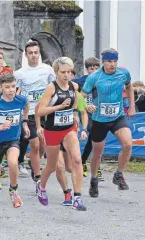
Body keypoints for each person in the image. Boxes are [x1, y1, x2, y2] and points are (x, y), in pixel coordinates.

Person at [81, 48, 135, 197]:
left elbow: (129, 86)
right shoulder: (94, 77)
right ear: (103, 62)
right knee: (97, 154)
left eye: (115, 61)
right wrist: (86, 105)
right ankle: (93, 180)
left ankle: (118, 174)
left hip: (118, 117)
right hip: (99, 120)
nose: (112, 64)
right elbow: (82, 96)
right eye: (109, 61)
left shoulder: (123, 73)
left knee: (128, 144)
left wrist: (131, 106)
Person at [36, 57, 87, 211]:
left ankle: (77, 197)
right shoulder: (51, 88)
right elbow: (40, 111)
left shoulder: (74, 86)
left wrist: (80, 114)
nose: (66, 75)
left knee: (77, 160)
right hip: (52, 130)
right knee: (52, 166)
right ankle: (41, 186)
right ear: (56, 72)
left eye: (69, 72)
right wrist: (58, 107)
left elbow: (76, 107)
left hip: (68, 129)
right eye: (63, 72)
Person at [0, 72, 29, 219]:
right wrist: (0, 127)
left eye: (13, 87)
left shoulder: (20, 100)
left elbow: (26, 105)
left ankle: (13, 190)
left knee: (12, 162)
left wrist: (25, 122)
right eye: (7, 87)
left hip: (13, 140)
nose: (11, 90)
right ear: (0, 87)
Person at [15, 41, 55, 181]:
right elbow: (14, 92)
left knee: (42, 145)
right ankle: (36, 172)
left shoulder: (47, 69)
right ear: (26, 55)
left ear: (39, 54)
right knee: (35, 144)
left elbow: (55, 87)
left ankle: (34, 163)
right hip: (30, 113)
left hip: (44, 112)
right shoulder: (19, 73)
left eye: (36, 52)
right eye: (30, 53)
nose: (33, 56)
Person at [72, 57, 101, 178]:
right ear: (87, 69)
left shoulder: (102, 80)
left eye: (96, 68)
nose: (93, 71)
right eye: (91, 69)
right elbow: (72, 86)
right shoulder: (81, 81)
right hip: (85, 113)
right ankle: (95, 167)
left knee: (96, 140)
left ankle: (85, 161)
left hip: (99, 114)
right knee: (94, 136)